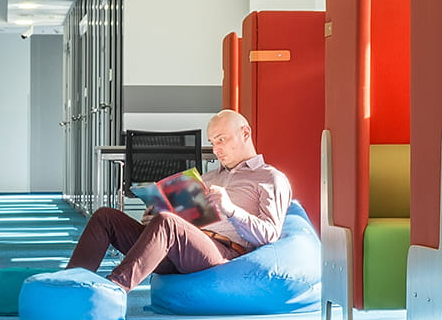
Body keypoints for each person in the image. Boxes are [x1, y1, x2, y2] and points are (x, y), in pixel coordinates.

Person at [67, 109, 291, 292]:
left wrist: (231, 210)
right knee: (107, 217)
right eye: (213, 142)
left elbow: (270, 234)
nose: (216, 149)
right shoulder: (208, 177)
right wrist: (153, 214)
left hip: (222, 252)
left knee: (168, 222)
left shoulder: (270, 178)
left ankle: (114, 289)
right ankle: (69, 283)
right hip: (179, 247)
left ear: (245, 133)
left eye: (222, 139)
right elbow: (182, 220)